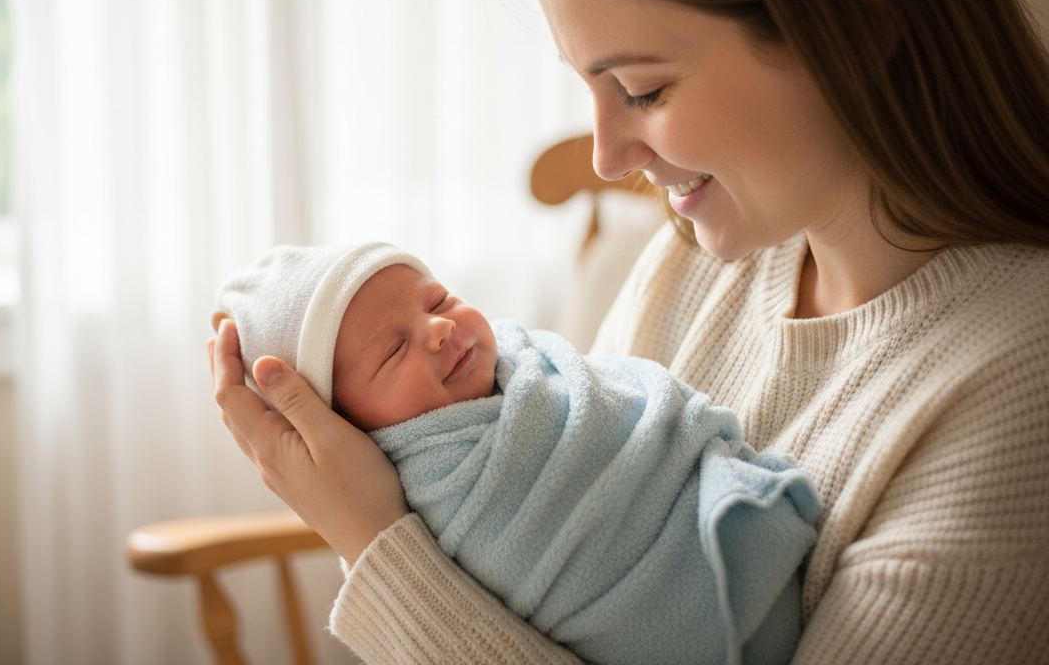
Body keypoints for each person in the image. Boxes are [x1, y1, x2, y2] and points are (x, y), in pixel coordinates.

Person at [209, 0, 1049, 662]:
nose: (608, 156)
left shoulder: (1018, 389)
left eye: (644, 90)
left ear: (854, 35)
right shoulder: (699, 254)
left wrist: (376, 542)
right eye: (591, 87)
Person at [214, 241, 821, 665]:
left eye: (439, 301)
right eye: (393, 351)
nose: (439, 330)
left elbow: (622, 406)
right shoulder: (432, 478)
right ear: (343, 425)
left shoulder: (527, 365)